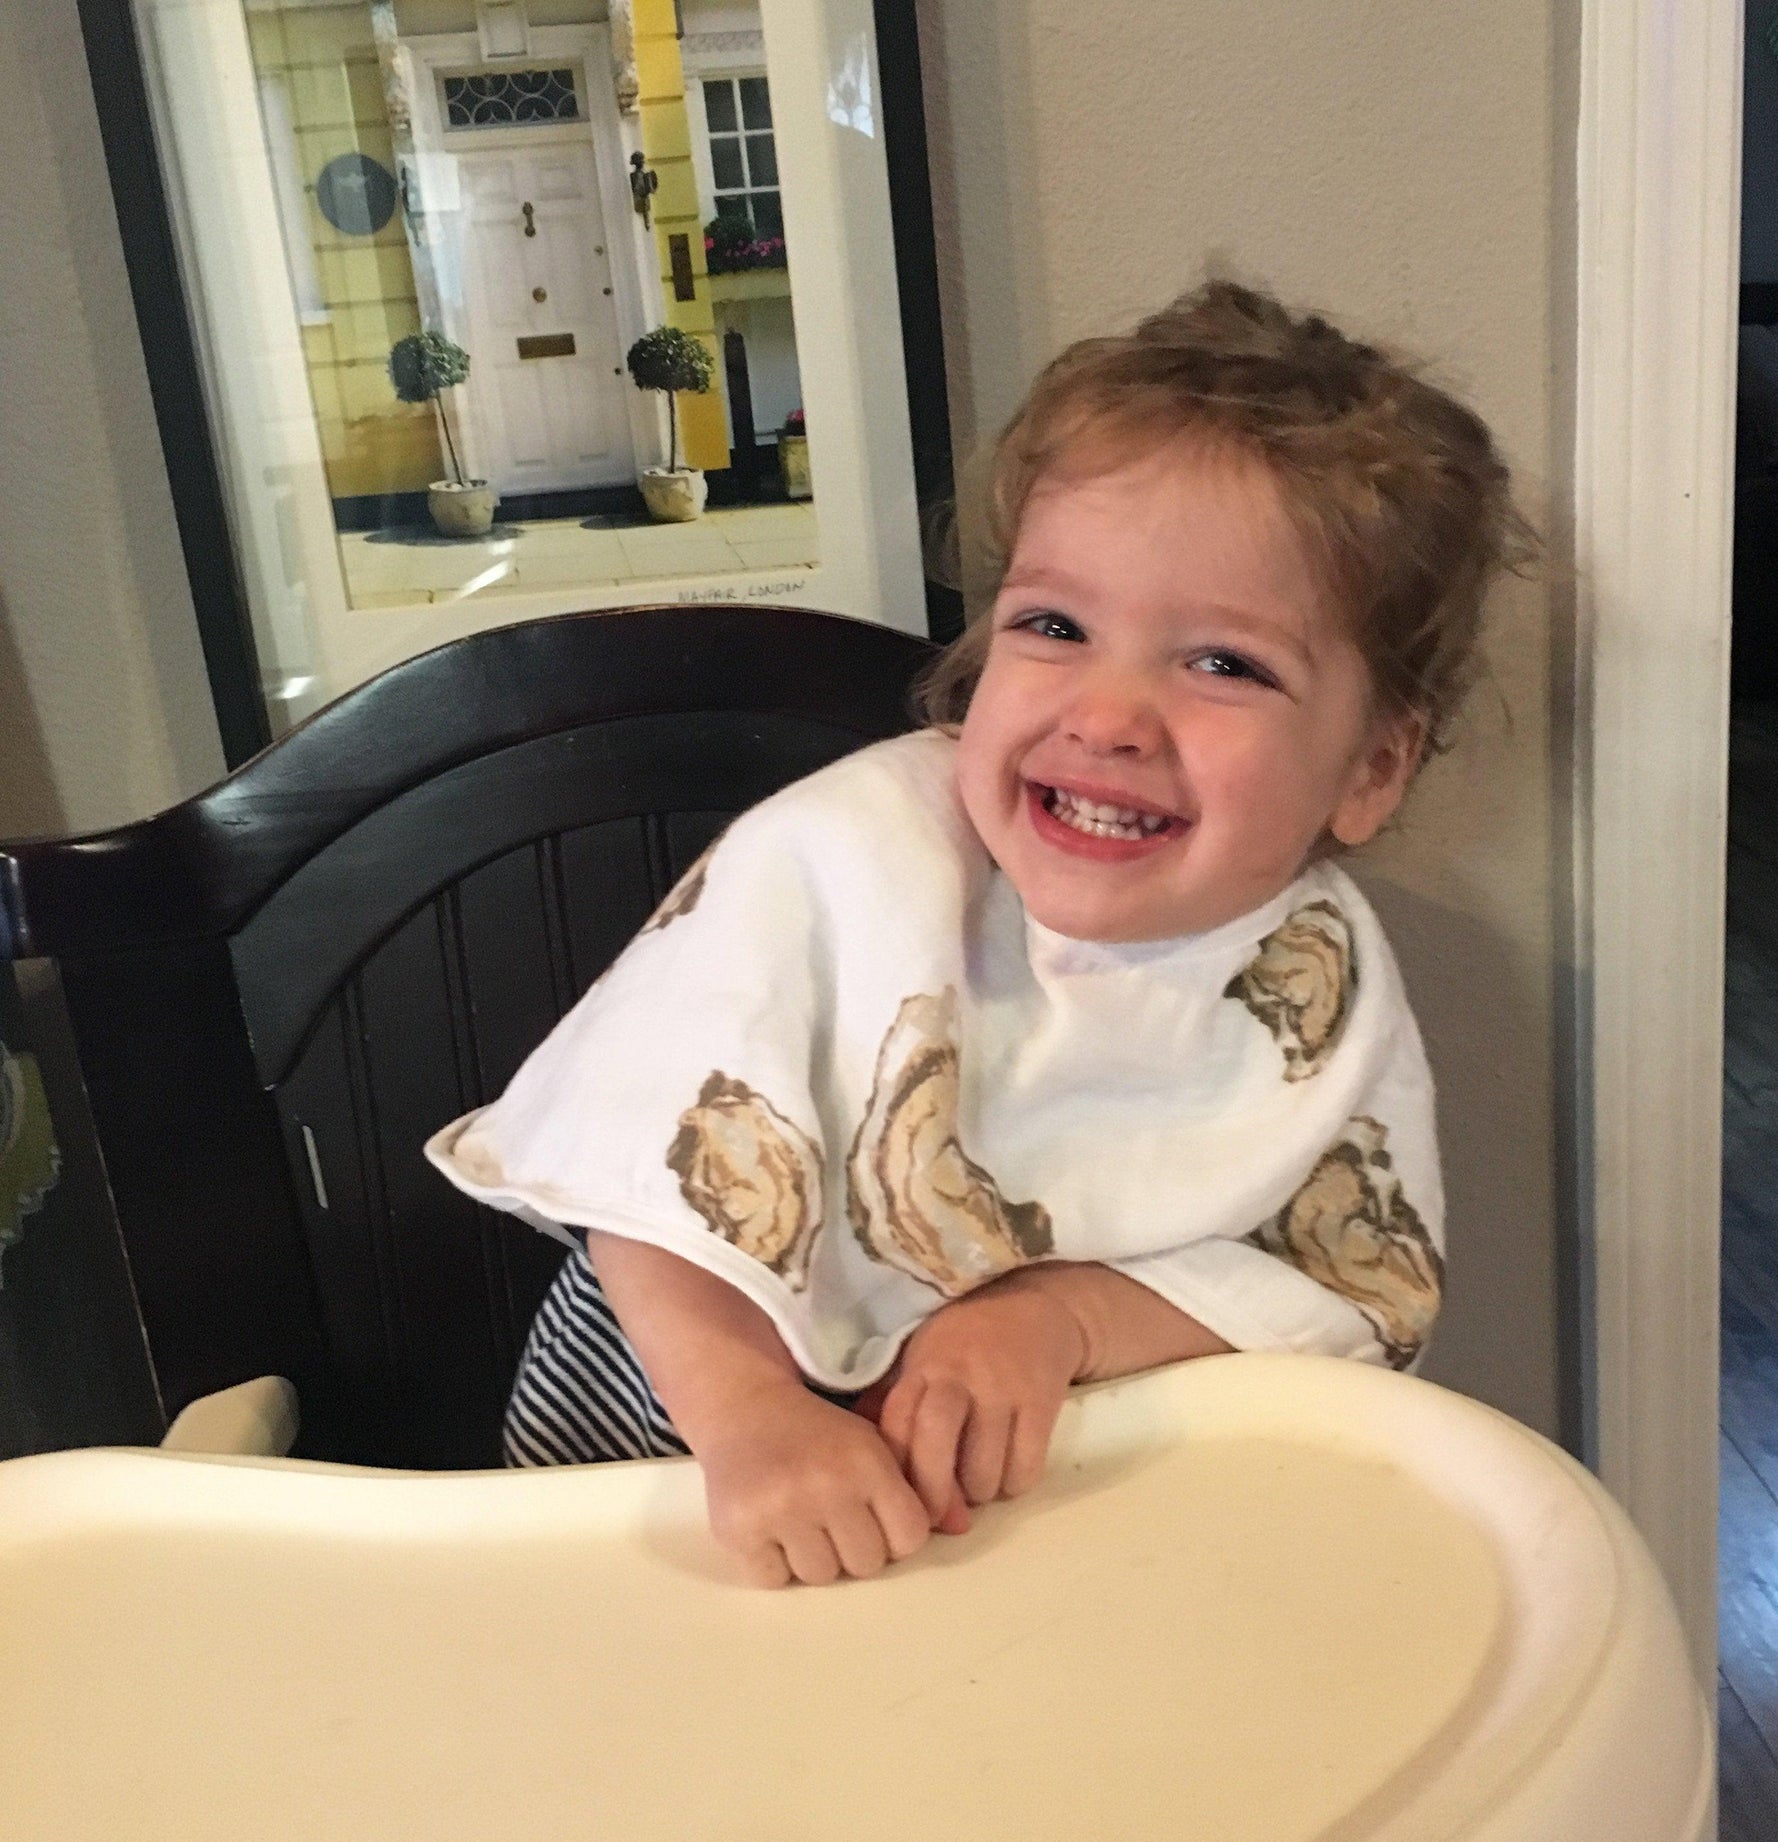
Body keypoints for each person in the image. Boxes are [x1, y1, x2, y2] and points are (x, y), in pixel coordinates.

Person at [426, 280, 1528, 1589]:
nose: (1112, 712)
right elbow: (644, 1177)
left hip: (1020, 1542)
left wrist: (1056, 1319)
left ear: (1370, 765)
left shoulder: (1316, 978)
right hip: (673, 1463)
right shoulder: (844, 856)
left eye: (1223, 663)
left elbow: (1336, 1279)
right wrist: (749, 1418)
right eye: (1054, 626)